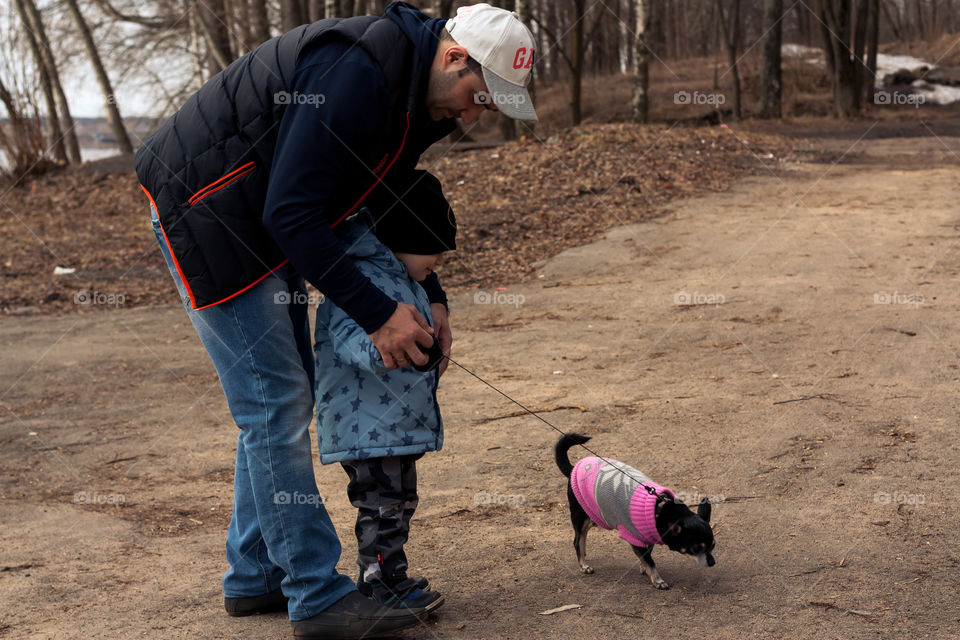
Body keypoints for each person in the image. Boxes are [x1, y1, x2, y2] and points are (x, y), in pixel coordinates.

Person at [135, 1, 536, 638]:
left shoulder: (417, 98)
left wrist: (429, 291)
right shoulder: (356, 71)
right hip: (210, 207)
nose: (473, 115)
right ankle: (316, 595)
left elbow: (383, 196)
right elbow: (290, 213)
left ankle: (256, 573)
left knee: (275, 402)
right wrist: (378, 315)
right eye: (478, 96)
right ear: (456, 57)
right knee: (274, 404)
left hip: (263, 212)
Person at [313, 171, 455, 613]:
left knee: (395, 502)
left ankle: (385, 574)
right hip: (368, 428)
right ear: (402, 236)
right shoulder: (358, 280)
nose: (438, 263)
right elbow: (357, 343)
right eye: (433, 250)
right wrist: (401, 353)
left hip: (388, 425)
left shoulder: (399, 276)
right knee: (383, 506)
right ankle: (383, 585)